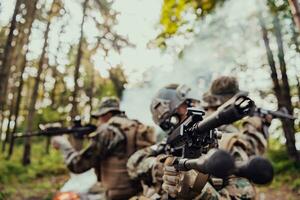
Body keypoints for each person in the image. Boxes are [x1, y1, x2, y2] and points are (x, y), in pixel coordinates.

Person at [162, 76, 272, 199]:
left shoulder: (224, 139)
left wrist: (199, 193)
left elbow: (245, 194)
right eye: (186, 105)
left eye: (191, 103)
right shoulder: (167, 147)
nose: (193, 107)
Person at [52, 97, 156, 200]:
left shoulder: (107, 131)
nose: (98, 121)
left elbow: (77, 165)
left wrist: (63, 144)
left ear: (107, 114)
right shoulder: (137, 127)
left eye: (99, 117)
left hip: (116, 196)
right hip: (140, 194)